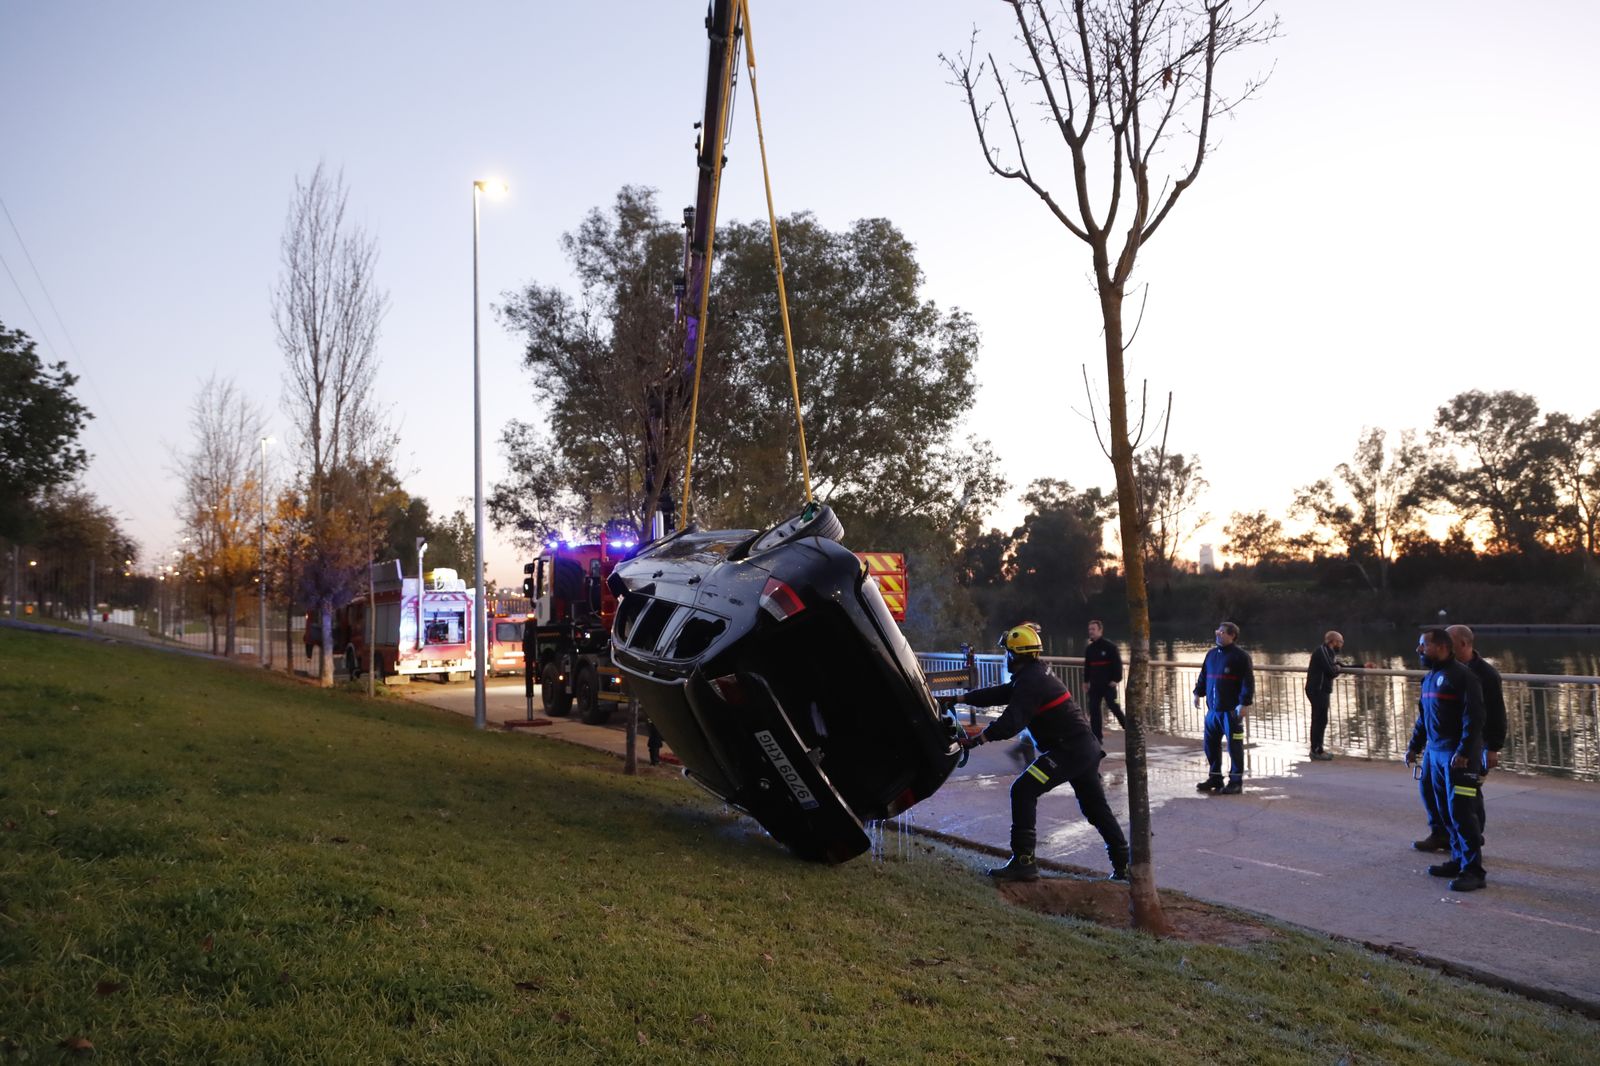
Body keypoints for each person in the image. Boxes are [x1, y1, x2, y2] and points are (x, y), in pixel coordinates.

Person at [957, 623, 1130, 883]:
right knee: (1096, 809)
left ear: (1015, 655)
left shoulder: (1030, 681)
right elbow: (1002, 693)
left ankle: (1024, 862)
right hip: (1082, 748)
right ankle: (1124, 868)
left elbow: (1011, 722)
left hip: (1068, 751)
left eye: (1008, 652)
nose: (1006, 657)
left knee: (1023, 790)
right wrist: (960, 699)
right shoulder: (1033, 674)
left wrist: (977, 739)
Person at [1404, 627, 1487, 892]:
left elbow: (1474, 718)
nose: (1419, 650)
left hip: (1458, 758)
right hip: (1435, 755)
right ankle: (1457, 859)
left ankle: (1474, 871)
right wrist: (1414, 746)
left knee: (1462, 813)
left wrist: (1464, 751)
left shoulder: (1463, 677)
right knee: (1444, 812)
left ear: (1441, 647)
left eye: (1423, 645)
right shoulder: (1429, 679)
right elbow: (1423, 719)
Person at [1194, 621, 1255, 794]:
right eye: (1218, 631)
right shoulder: (1212, 654)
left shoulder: (1241, 657)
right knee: (1210, 745)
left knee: (1234, 746)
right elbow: (1204, 675)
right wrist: (1198, 693)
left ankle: (1236, 781)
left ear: (1232, 635)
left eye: (1222, 632)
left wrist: (1244, 703)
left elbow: (1248, 682)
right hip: (1213, 711)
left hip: (1232, 712)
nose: (1217, 634)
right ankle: (1215, 778)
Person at [1303, 630, 1368, 761]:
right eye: (1341, 642)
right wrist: (1336, 669)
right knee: (1319, 720)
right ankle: (1316, 750)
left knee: (1321, 720)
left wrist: (1363, 666)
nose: (1342, 645)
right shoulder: (1322, 651)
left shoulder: (1329, 653)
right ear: (1333, 642)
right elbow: (1331, 671)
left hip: (1322, 690)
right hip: (1317, 690)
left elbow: (1339, 666)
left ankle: (1317, 749)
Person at [1082, 619, 1125, 742]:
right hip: (1094, 685)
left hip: (1108, 685)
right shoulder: (1089, 649)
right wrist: (1085, 681)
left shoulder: (1110, 647)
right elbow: (1087, 666)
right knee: (1094, 710)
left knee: (1114, 707)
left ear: (1100, 630)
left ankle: (1128, 729)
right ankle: (1097, 737)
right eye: (1089, 629)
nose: (1091, 632)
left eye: (1093, 629)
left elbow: (1118, 664)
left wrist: (1116, 679)